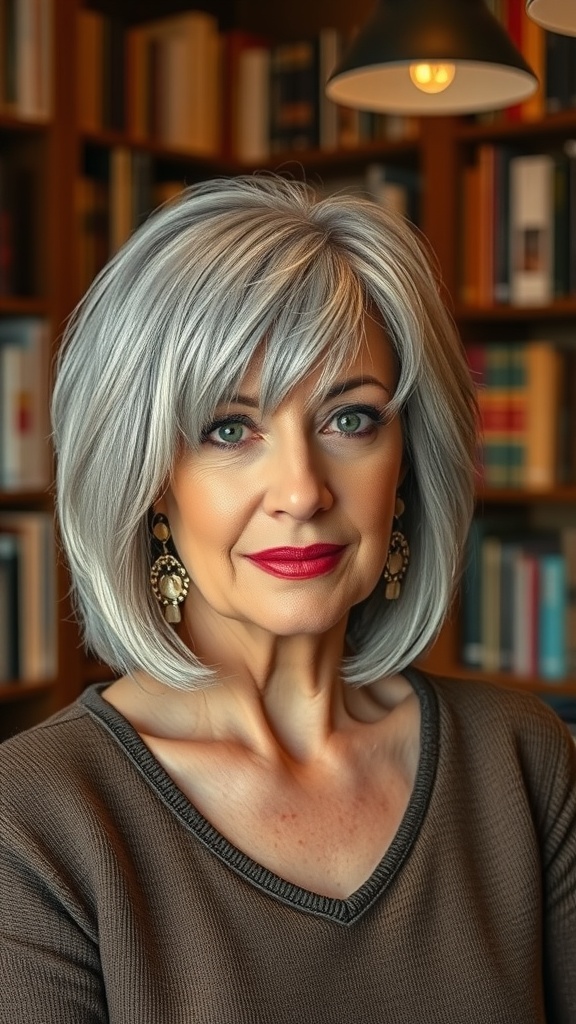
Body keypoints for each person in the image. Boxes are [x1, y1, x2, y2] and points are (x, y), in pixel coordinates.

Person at [0, 174, 575, 1024]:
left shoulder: (521, 759)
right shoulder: (33, 823)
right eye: (230, 430)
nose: (301, 491)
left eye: (352, 420)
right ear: (152, 479)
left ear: (407, 464)